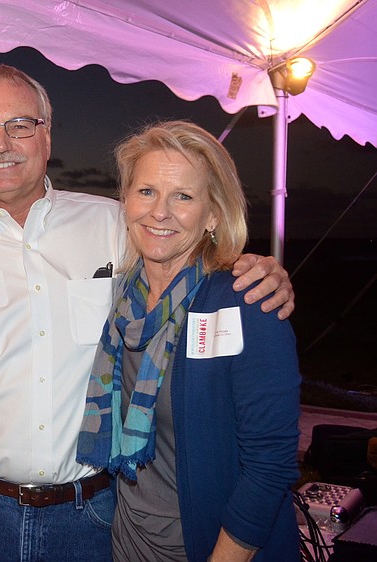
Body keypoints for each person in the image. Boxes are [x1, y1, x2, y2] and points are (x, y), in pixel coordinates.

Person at [0, 64, 295, 561]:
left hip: (93, 516)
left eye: (19, 125)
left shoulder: (115, 224)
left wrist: (259, 269)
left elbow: (189, 254)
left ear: (47, 135)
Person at [77, 120, 301, 561]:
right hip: (127, 541)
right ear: (125, 202)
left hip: (209, 547)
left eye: (183, 196)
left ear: (213, 214)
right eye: (146, 192)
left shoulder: (247, 303)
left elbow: (270, 464)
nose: (160, 212)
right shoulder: (121, 297)